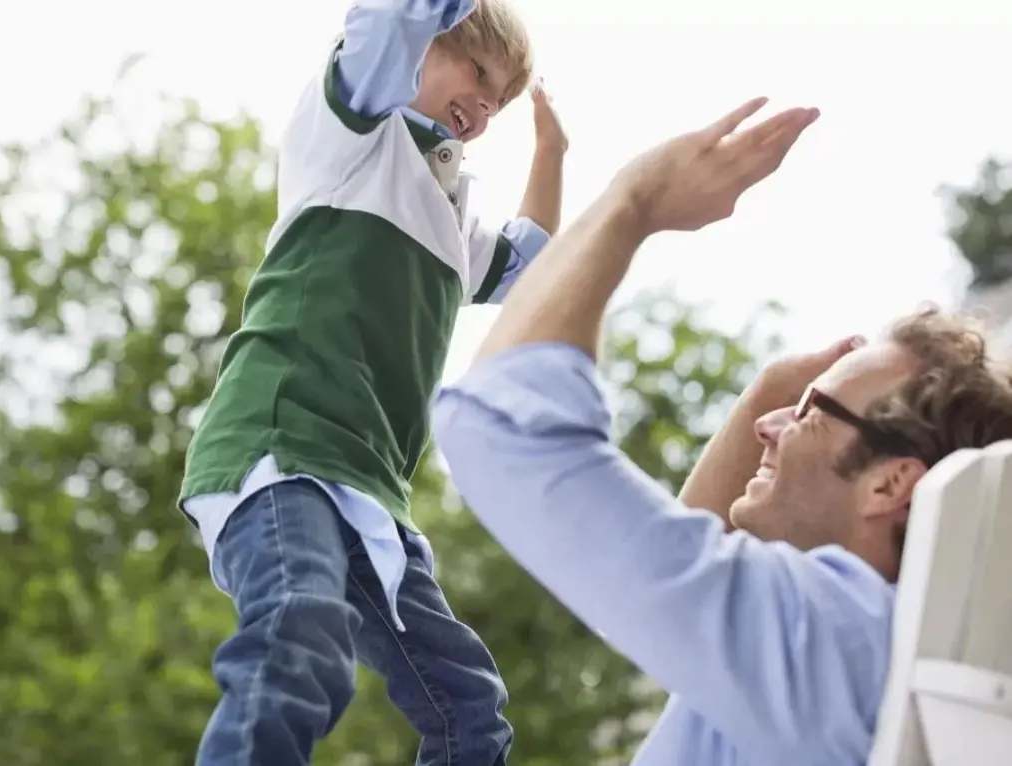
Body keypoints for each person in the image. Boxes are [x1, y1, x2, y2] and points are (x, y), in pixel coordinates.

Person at [431, 97, 1012, 765]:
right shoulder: (860, 651)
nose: (768, 424)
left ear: (888, 483)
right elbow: (664, 578)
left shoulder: (835, 638)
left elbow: (496, 426)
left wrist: (634, 200)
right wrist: (769, 391)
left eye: (809, 412)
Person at [177, 1, 567, 764]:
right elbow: (395, 18)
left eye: (497, 102)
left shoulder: (453, 217)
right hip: (280, 452)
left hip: (369, 499)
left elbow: (535, 267)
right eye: (475, 73)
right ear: (425, 46)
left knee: (468, 708)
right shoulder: (351, 132)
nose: (482, 107)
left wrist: (552, 147)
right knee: (300, 634)